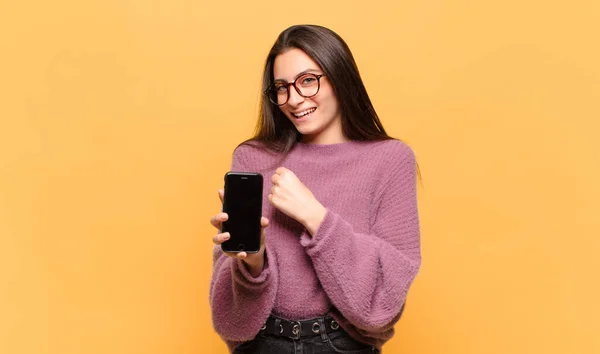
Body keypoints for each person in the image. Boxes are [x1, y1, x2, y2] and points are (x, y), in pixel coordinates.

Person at [209, 24, 421, 354]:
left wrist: (315, 216)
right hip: (262, 343)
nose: (293, 100)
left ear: (340, 76)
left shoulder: (390, 159)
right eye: (281, 88)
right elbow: (230, 319)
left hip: (344, 344)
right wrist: (253, 262)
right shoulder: (253, 157)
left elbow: (385, 298)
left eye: (308, 81)